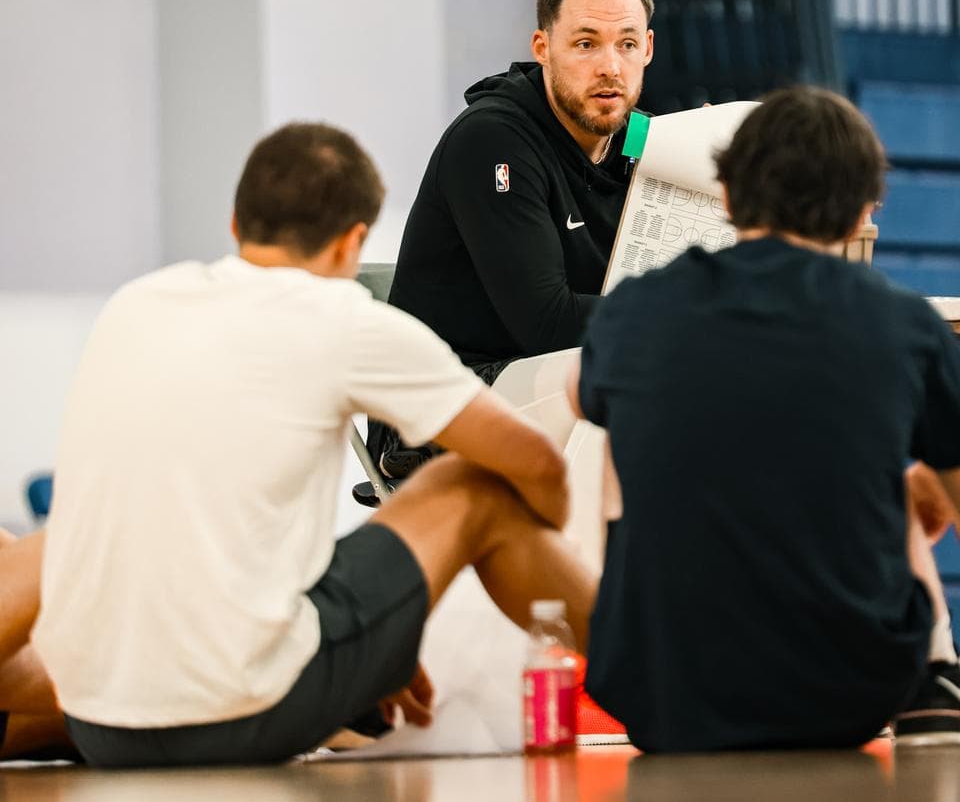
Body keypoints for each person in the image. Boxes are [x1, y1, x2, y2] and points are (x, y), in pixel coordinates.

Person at [0, 123, 594, 768]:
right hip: (245, 712)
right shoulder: (350, 323)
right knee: (471, 487)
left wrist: (375, 636)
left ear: (236, 224)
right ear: (352, 243)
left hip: (98, 721)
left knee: (50, 546)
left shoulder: (136, 304)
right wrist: (546, 526)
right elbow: (533, 459)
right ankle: (646, 680)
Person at [568, 85, 960, 754]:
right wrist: (921, 490)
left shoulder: (634, 310)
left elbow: (583, 398)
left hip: (662, 698)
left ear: (725, 195)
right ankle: (935, 687)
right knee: (895, 486)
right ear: (863, 212)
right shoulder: (902, 321)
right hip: (850, 693)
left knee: (623, 434)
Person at [369, 0, 654, 481]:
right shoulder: (493, 139)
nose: (610, 66)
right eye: (586, 43)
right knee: (624, 368)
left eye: (627, 45)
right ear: (543, 49)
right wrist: (689, 314)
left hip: (545, 387)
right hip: (441, 408)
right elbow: (547, 324)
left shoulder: (648, 145)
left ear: (648, 50)